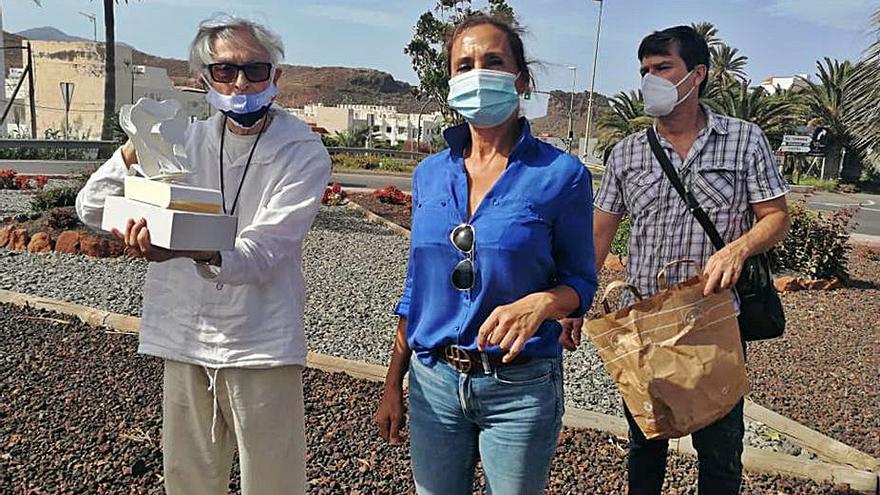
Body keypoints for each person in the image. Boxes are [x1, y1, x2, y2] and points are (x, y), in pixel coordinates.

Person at [75, 15, 331, 495]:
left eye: (255, 70)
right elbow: (91, 207)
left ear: (276, 76)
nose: (241, 83)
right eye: (225, 71)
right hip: (186, 337)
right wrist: (135, 148)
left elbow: (268, 248)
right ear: (202, 79)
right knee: (188, 481)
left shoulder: (302, 151)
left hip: (260, 345)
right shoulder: (181, 142)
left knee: (274, 482)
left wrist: (189, 248)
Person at [560, 25, 791, 494]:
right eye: (645, 70)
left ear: (698, 73)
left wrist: (738, 248)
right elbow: (599, 231)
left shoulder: (744, 140)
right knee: (646, 444)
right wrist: (576, 300)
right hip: (644, 326)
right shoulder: (627, 153)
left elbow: (775, 217)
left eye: (662, 68)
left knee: (721, 450)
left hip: (714, 322)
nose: (650, 79)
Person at [373, 14, 598, 495]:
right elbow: (417, 288)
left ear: (521, 78)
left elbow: (581, 282)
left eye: (493, 61)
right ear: (451, 79)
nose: (477, 72)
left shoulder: (563, 175)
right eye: (464, 64)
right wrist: (394, 381)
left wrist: (543, 303)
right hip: (434, 381)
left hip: (520, 389)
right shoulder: (430, 174)